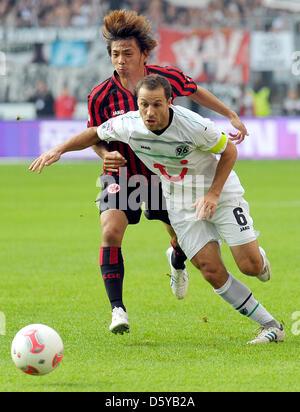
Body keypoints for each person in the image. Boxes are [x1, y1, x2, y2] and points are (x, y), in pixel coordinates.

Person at [29, 74, 284, 344]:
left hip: (219, 193)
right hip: (179, 201)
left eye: (157, 105)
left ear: (170, 103)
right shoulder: (129, 124)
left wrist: (213, 194)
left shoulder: (193, 125)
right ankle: (270, 325)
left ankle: (257, 257)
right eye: (143, 105)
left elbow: (229, 150)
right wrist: (58, 150)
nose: (149, 112)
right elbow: (95, 132)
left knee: (250, 266)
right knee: (210, 269)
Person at [85, 9, 249, 335]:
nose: (120, 60)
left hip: (165, 174)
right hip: (125, 176)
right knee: (110, 232)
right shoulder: (100, 95)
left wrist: (229, 113)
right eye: (115, 54)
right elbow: (94, 135)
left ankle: (176, 259)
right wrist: (106, 155)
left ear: (144, 53)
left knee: (179, 238)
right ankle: (117, 310)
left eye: (127, 53)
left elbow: (195, 90)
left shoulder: (163, 78)